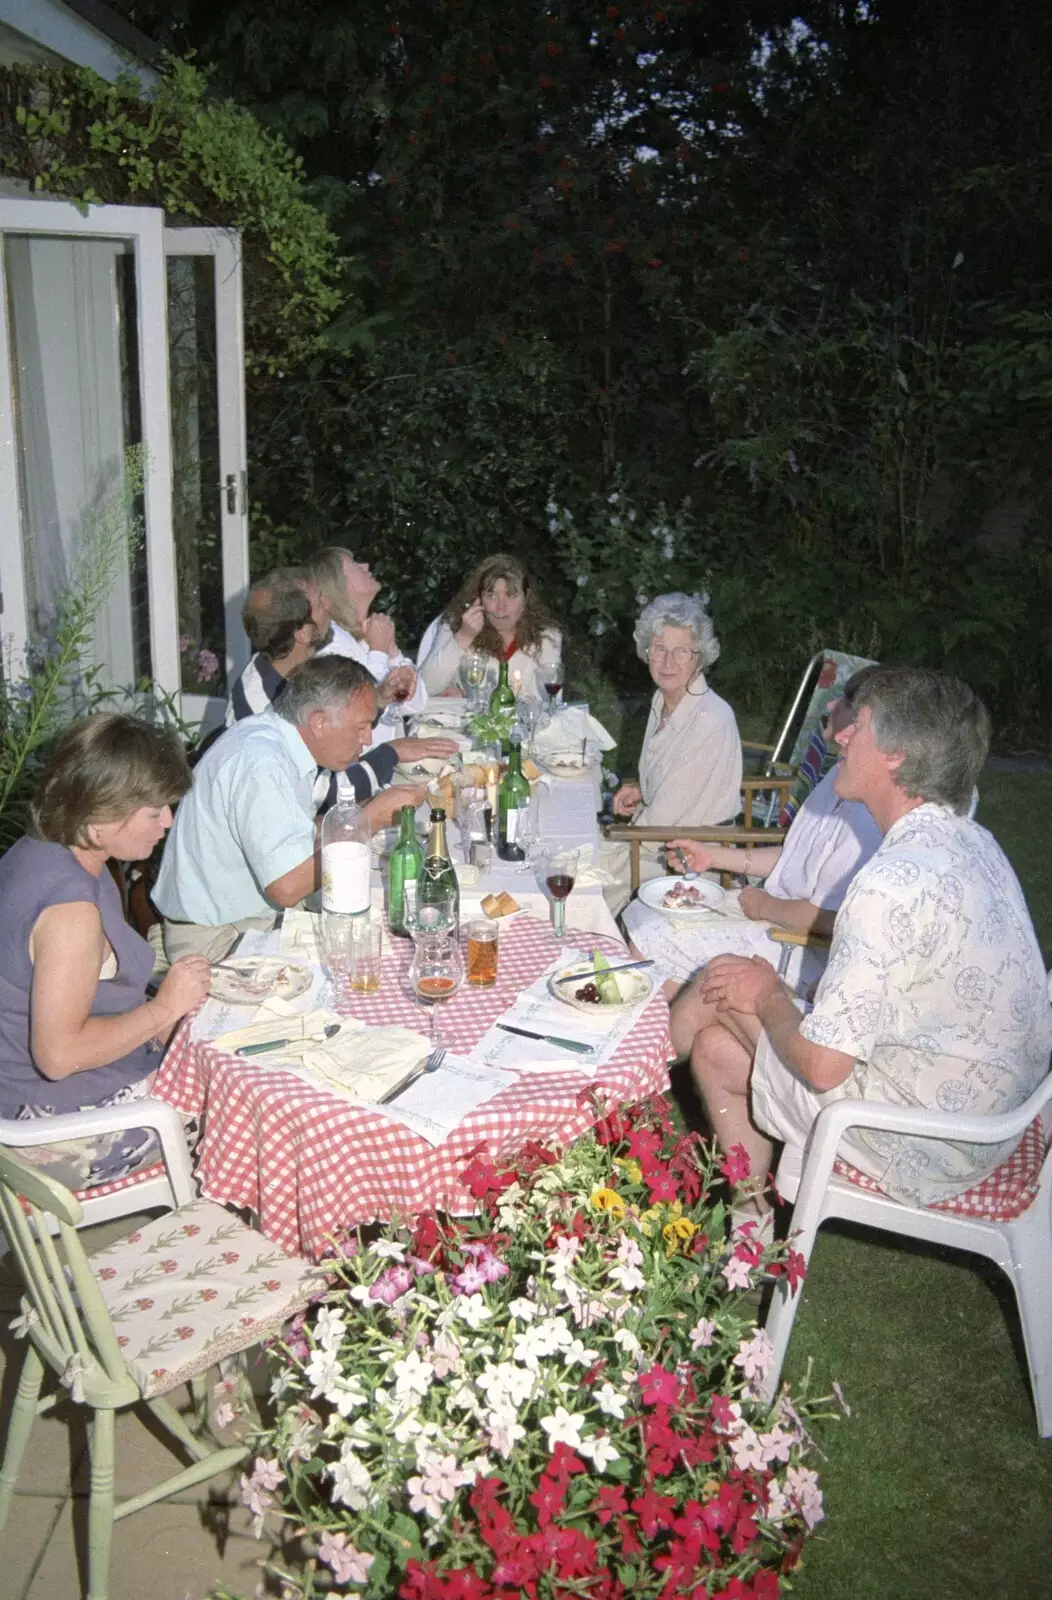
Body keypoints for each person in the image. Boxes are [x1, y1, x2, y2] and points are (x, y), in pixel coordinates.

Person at [687, 666, 1052, 1217]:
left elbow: (823, 1067)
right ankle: (750, 1228)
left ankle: (615, 1109)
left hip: (924, 1142)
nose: (840, 736)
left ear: (896, 756)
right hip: (989, 1116)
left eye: (858, 725)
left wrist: (766, 994)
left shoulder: (891, 882)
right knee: (716, 1048)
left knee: (722, 981)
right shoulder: (972, 839)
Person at [0, 715, 212, 1188]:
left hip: (24, 1097)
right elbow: (58, 1054)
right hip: (50, 1136)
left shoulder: (41, 851)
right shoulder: (69, 910)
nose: (168, 821)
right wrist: (164, 1010)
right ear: (99, 819)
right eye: (154, 810)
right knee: (238, 1107)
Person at [630, 667, 884, 1008]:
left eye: (847, 700)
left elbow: (829, 919)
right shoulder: (838, 775)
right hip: (770, 914)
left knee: (651, 933)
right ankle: (673, 1037)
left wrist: (764, 905)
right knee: (646, 911)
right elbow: (796, 856)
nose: (832, 704)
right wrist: (713, 856)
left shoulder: (867, 814)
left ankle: (660, 1037)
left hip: (799, 946)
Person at [154, 657, 427, 961]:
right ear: (319, 722)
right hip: (217, 939)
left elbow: (294, 834)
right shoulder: (262, 762)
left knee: (375, 925)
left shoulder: (276, 738)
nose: (368, 739)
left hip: (248, 920)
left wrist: (359, 815)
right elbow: (287, 887)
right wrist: (368, 820)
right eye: (361, 727)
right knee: (370, 955)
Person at [223, 568, 456, 808]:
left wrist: (380, 699)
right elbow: (321, 793)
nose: (328, 604)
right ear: (303, 633)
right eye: (319, 603)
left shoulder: (294, 668)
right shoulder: (261, 708)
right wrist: (391, 753)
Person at [602, 591, 742, 915]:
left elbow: (663, 820)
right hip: (658, 841)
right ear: (646, 652)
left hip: (686, 863)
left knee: (578, 880)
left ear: (700, 656)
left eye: (682, 652)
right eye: (660, 649)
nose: (668, 662)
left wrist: (615, 840)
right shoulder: (663, 701)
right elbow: (677, 783)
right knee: (569, 851)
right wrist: (644, 787)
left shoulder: (710, 719)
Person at [307, 546, 427, 735]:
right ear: (337, 585)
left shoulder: (369, 633)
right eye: (354, 564)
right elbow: (360, 713)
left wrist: (393, 653)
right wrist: (378, 651)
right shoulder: (330, 646)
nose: (366, 565)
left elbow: (415, 705)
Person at [417, 554, 563, 701]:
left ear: (526, 597)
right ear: (478, 598)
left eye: (511, 596)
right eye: (491, 595)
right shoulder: (456, 626)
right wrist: (463, 637)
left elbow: (550, 701)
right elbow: (424, 688)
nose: (501, 607)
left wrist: (469, 697)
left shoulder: (546, 637)